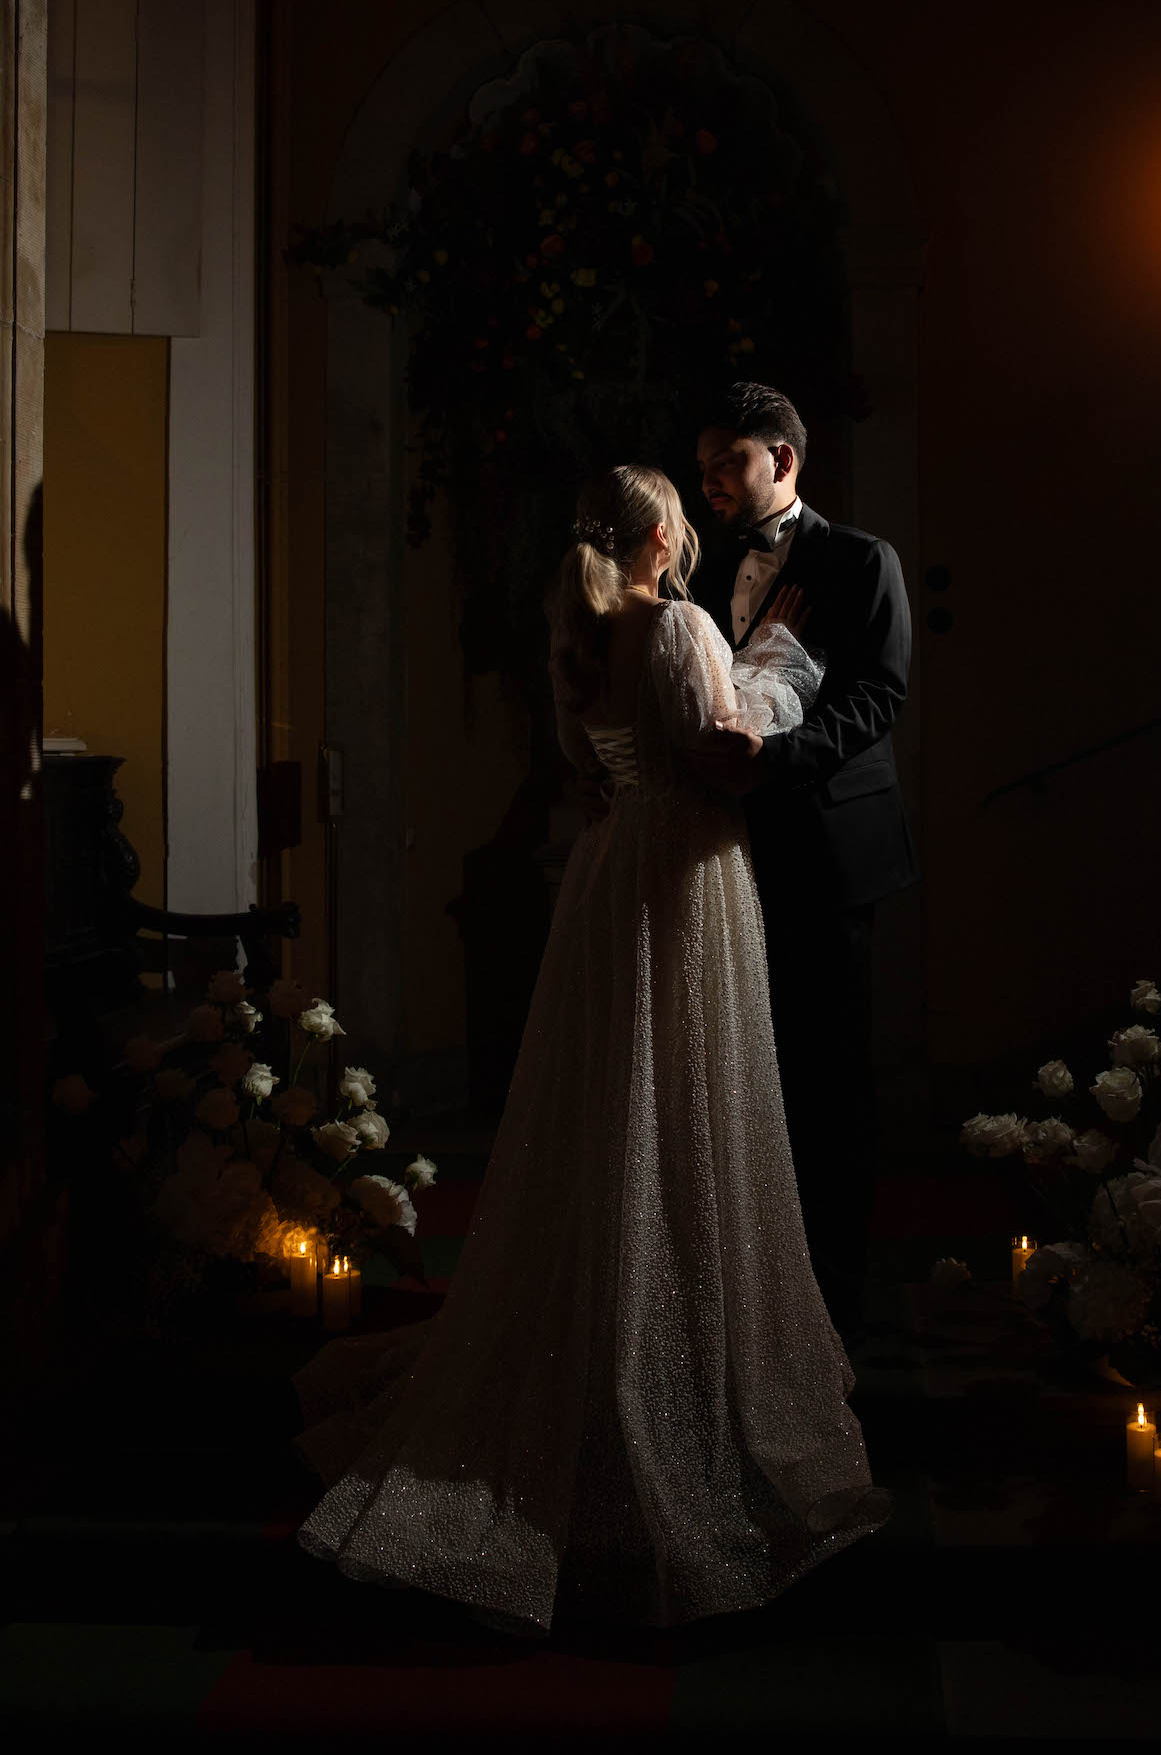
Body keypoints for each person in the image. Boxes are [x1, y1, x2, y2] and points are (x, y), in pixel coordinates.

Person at [291, 464, 892, 1638]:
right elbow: (720, 753)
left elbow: (608, 760)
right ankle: (665, 1373)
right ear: (665, 534)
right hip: (684, 881)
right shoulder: (675, 625)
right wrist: (775, 666)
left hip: (611, 873)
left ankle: (597, 1321)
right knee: (680, 1102)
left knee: (608, 1104)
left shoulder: (574, 624)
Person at [688, 381, 918, 1348]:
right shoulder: (694, 570)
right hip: (719, 854)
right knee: (742, 1078)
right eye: (701, 473)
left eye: (727, 465)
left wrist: (773, 761)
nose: (711, 490)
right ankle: (750, 1296)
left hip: (826, 849)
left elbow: (876, 699)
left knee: (829, 1081)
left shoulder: (862, 560)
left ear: (783, 459)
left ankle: (834, 1307)